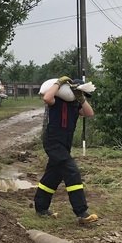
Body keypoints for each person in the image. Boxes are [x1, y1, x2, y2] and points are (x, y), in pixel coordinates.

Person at [34, 76, 98, 225]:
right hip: (53, 142)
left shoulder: (76, 104)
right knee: (72, 171)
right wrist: (60, 82)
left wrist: (81, 98)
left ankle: (41, 208)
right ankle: (81, 212)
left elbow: (89, 113)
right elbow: (47, 97)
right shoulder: (58, 101)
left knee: (53, 175)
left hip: (64, 144)